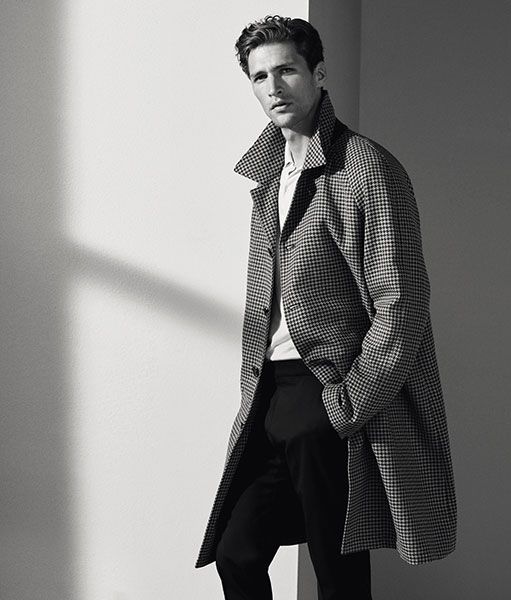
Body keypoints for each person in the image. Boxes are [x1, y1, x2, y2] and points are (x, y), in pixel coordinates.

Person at [195, 15, 457, 600]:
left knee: (336, 575)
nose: (273, 88)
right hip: (270, 393)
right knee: (237, 554)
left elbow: (402, 301)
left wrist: (346, 405)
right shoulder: (269, 175)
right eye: (259, 76)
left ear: (318, 73)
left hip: (329, 393)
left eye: (286, 70)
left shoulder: (366, 168)